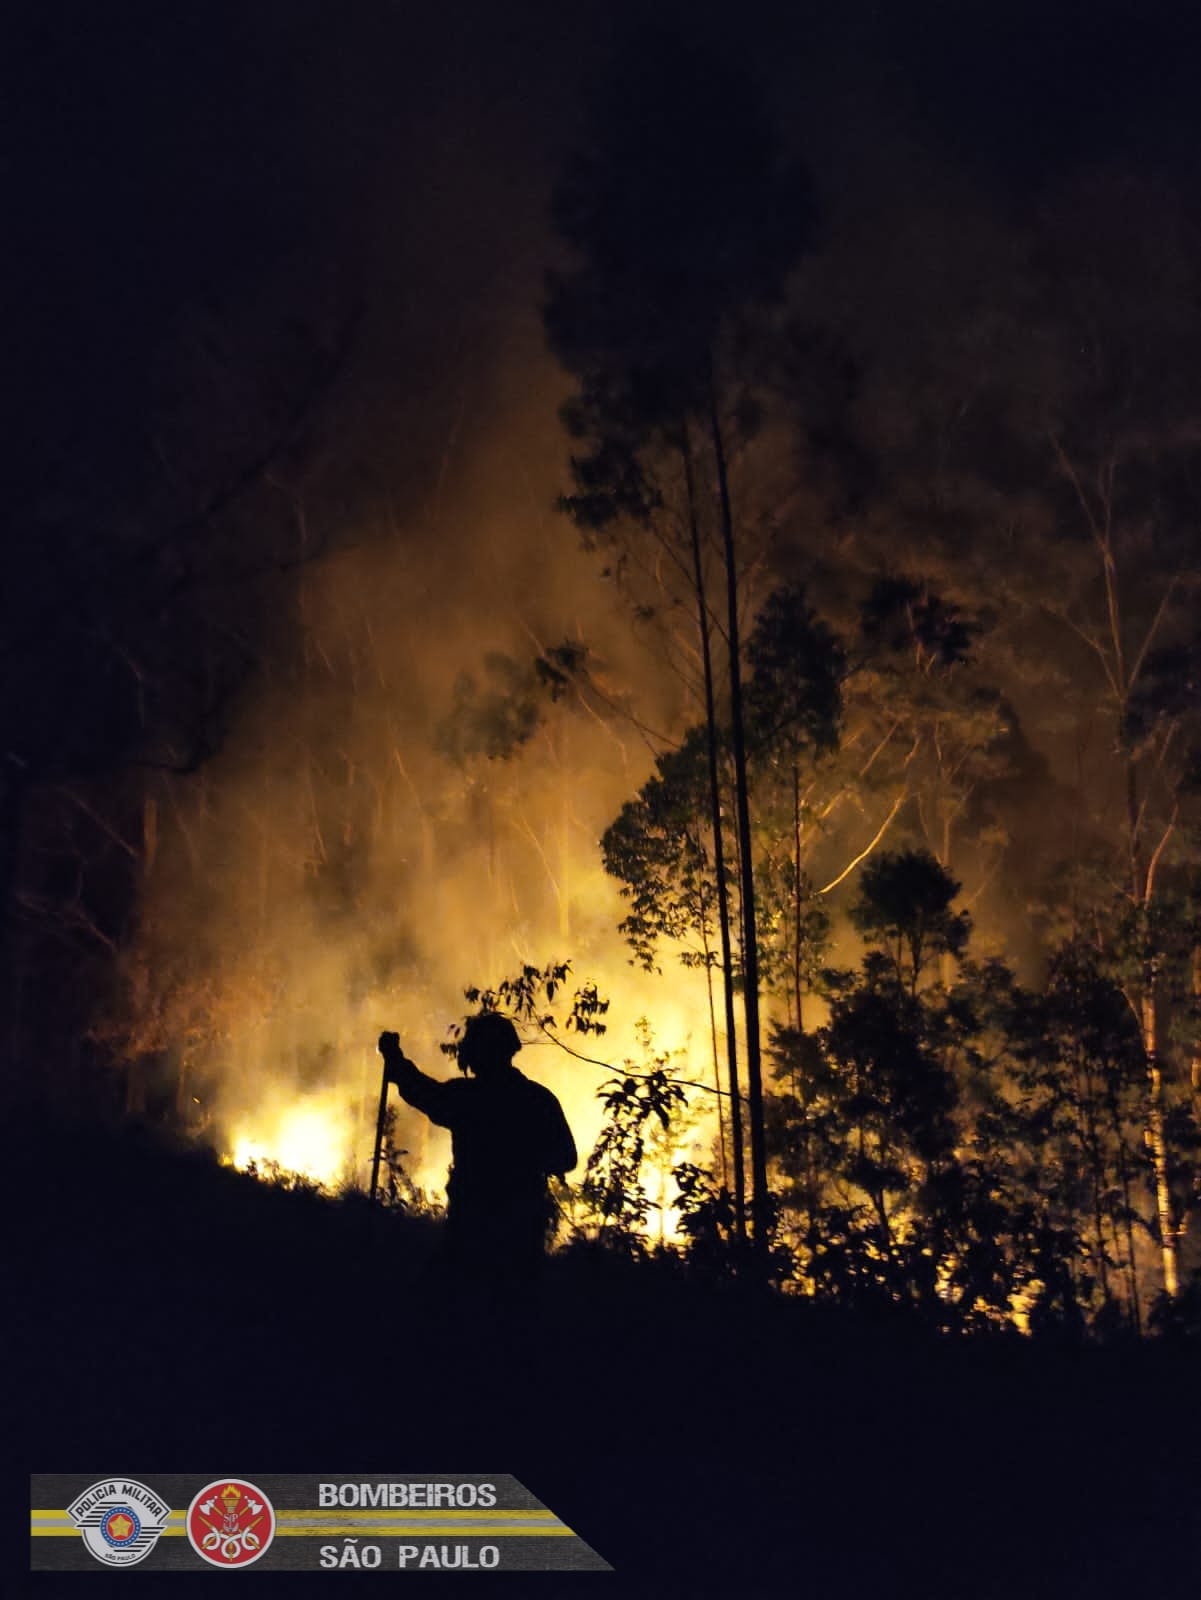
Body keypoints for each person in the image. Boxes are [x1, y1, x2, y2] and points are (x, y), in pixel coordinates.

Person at [377, 1013, 577, 1276]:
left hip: (472, 1228)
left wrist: (395, 1060)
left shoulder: (468, 1097)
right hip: (521, 1232)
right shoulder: (538, 1099)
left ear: (473, 1054)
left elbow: (425, 1093)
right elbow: (566, 1158)